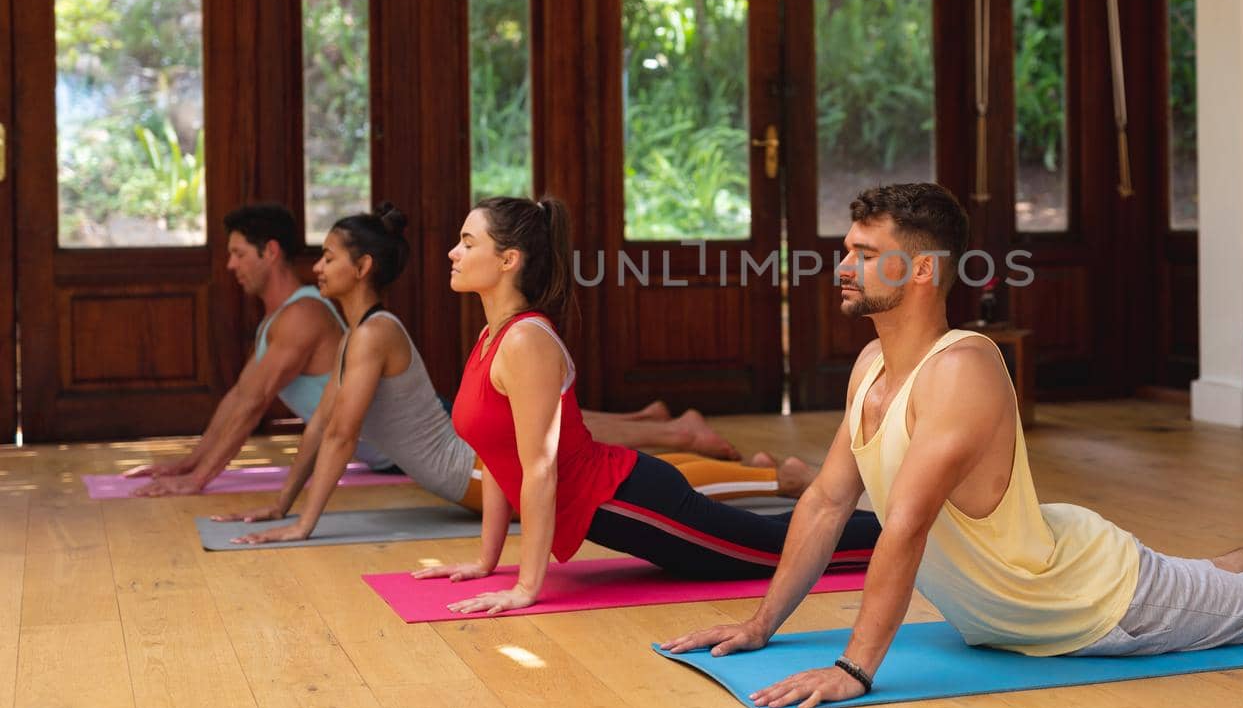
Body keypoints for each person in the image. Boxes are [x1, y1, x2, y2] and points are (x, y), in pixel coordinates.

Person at [662, 183, 1243, 708]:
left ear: (921, 271)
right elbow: (823, 500)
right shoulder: (867, 367)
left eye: (862, 253)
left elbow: (907, 527)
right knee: (1225, 572)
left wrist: (854, 666)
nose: (842, 265)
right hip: (1039, 594)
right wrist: (762, 621)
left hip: (1090, 604)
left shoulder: (960, 370)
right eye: (844, 250)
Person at [216, 206, 815, 544]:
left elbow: (343, 437)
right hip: (474, 471)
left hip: (474, 473)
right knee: (637, 480)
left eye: (327, 257)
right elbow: (322, 428)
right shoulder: (356, 337)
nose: (316, 268)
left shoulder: (376, 334)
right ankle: (763, 474)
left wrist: (304, 526)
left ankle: (776, 483)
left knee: (645, 492)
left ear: (363, 267)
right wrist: (283, 507)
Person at [416, 196, 881, 614]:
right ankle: (892, 522)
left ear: (508, 260)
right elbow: (501, 458)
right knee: (765, 534)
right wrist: (486, 561)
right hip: (621, 496)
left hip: (628, 500)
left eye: (467, 243)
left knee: (778, 551)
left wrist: (526, 587)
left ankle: (905, 532)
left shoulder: (525, 341)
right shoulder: (490, 337)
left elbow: (540, 468)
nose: (453, 253)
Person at [123, 204, 397, 496]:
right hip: (392, 458)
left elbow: (255, 404)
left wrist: (198, 480)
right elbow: (240, 396)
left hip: (416, 449)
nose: (231, 265)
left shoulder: (303, 315)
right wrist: (190, 464)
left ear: (270, 252)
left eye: (239, 254)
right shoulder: (279, 318)